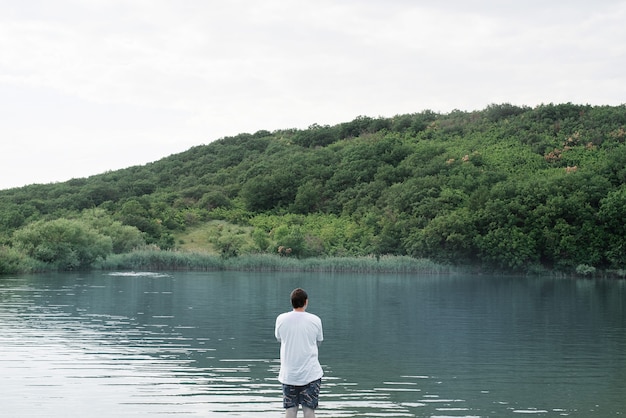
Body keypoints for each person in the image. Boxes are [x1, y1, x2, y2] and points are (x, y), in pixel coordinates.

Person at [275, 288, 324, 418]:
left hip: (289, 375)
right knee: (309, 411)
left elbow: (279, 338)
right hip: (311, 374)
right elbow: (319, 341)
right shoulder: (315, 320)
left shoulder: (281, 319)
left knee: (290, 411)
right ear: (306, 302)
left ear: (291, 302)